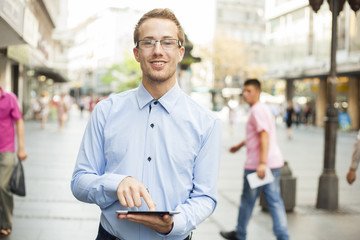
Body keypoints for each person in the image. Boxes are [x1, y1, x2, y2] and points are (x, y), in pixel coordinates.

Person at [71, 8, 222, 240]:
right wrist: (117, 181)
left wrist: (174, 223)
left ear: (180, 52)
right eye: (149, 42)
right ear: (137, 53)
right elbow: (80, 181)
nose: (158, 51)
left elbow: (205, 197)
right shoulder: (106, 111)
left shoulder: (206, 122)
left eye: (168, 42)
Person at [220, 79, 289, 240]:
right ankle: (243, 232)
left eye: (249, 91)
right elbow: (257, 135)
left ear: (258, 92)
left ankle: (241, 233)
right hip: (271, 162)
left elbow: (264, 135)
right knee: (272, 201)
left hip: (260, 165)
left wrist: (262, 163)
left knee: (253, 201)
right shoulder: (261, 109)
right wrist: (240, 145)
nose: (245, 94)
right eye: (244, 91)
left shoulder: (257, 110)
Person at [0, 86, 27, 237]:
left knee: (2, 186)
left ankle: (6, 222)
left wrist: (21, 147)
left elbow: (19, 121)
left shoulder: (9, 98)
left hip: (6, 149)